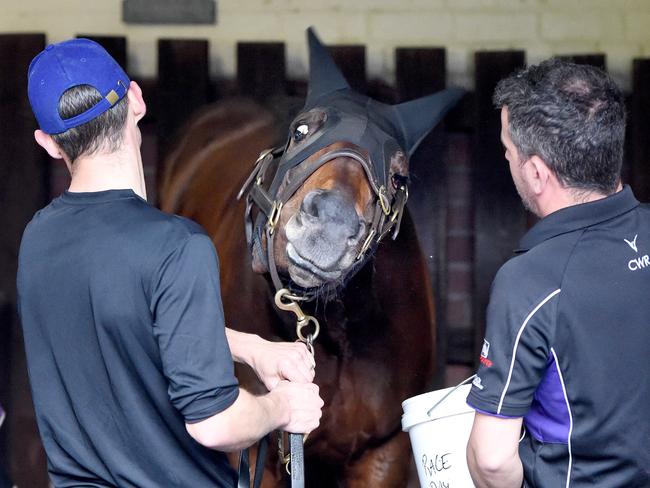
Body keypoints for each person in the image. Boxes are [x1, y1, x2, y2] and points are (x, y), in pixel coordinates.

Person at [17, 38, 323, 487]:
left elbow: (132, 324)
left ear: (47, 143)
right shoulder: (177, 246)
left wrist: (251, 348)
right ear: (136, 100)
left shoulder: (37, 239)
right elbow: (215, 423)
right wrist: (283, 407)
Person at [465, 59, 650, 487]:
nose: (508, 158)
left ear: (535, 173)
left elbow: (492, 460)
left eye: (508, 151)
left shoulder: (530, 281)